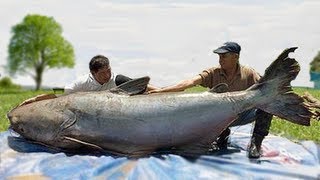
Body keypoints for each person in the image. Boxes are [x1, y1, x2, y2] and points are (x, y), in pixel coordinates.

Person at [149, 42, 273, 158]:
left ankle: (256, 144)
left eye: (224, 56)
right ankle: (221, 135)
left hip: (242, 114)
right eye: (219, 56)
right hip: (217, 117)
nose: (220, 59)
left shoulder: (249, 73)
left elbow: (266, 87)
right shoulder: (213, 72)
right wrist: (162, 91)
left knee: (268, 105)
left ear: (235, 57)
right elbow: (190, 82)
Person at [19, 55, 158, 106]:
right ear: (93, 73)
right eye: (103, 73)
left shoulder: (117, 79)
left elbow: (143, 86)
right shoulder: (81, 83)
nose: (107, 74)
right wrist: (33, 99)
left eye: (109, 70)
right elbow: (58, 92)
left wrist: (163, 91)